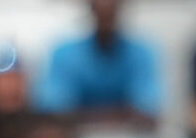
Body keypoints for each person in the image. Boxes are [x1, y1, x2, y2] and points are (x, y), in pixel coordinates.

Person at [34, 0, 161, 128]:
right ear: (90, 6)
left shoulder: (142, 53)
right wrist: (122, 113)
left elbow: (148, 112)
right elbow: (54, 113)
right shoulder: (64, 53)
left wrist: (82, 114)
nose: (105, 6)